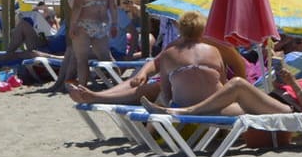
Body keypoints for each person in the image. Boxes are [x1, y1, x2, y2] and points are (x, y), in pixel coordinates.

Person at [157, 39, 302, 146]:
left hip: (287, 110)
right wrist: (280, 83)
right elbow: (288, 91)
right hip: (272, 102)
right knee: (219, 110)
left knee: (239, 84)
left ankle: (187, 111)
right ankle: (179, 111)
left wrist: (293, 83)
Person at [70, 11, 228, 108]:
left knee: (154, 88)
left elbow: (239, 67)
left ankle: (98, 98)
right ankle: (100, 95)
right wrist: (144, 73)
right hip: (201, 91)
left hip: (198, 92)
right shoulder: (183, 45)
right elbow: (157, 62)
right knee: (135, 80)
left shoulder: (217, 45)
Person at [57, 0, 114, 94]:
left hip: (84, 22)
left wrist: (72, 25)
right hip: (102, 23)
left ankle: (83, 89)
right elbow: (112, 5)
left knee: (81, 59)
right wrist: (114, 24)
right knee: (106, 58)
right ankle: (118, 84)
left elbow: (77, 7)